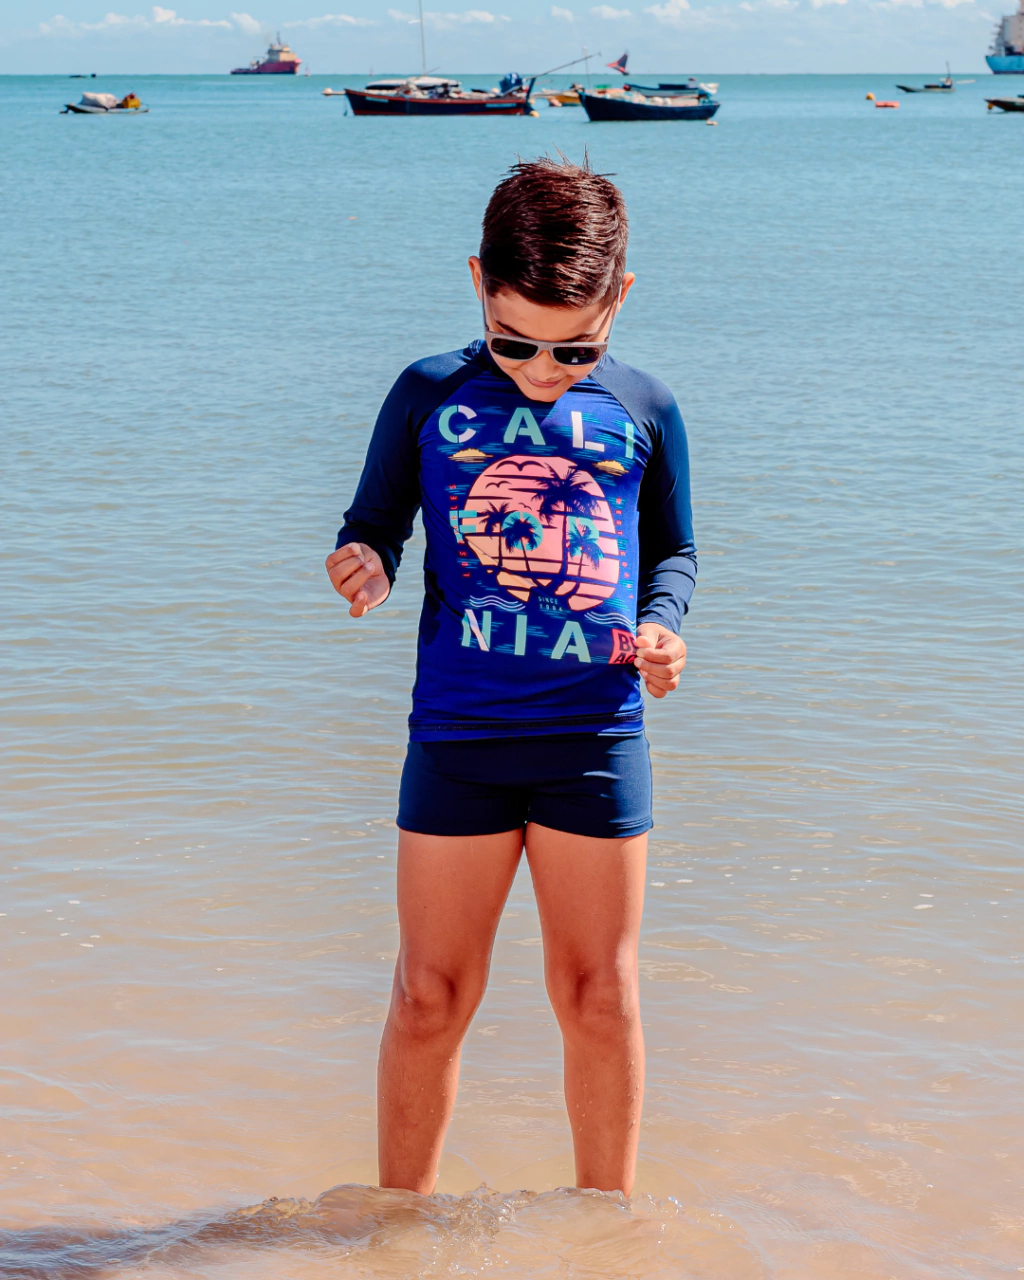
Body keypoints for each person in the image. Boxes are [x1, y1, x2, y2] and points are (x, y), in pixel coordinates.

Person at [325, 156, 696, 1197]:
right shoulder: (427, 394)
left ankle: (605, 1236)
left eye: (576, 350)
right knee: (428, 998)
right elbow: (374, 522)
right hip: (459, 739)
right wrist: (365, 561)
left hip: (594, 741)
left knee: (600, 999)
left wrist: (663, 628)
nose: (541, 370)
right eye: (513, 341)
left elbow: (672, 551)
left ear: (620, 298)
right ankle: (397, 1235)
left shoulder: (645, 406)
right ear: (478, 283)